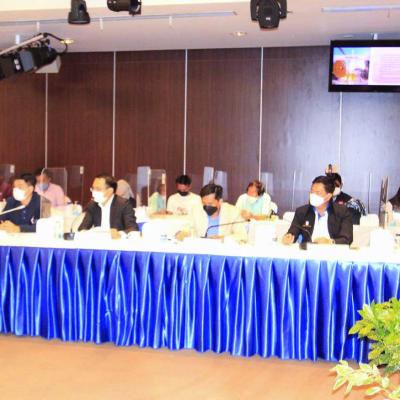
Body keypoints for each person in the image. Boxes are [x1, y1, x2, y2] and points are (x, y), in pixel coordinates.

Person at [282, 175, 353, 245]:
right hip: (308, 251)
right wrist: (289, 237)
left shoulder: (342, 212)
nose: (312, 195)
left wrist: (330, 242)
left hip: (333, 251)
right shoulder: (302, 212)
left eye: (317, 192)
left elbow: (347, 239)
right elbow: (292, 233)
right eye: (311, 191)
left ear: (328, 196)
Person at [177, 183, 247, 243]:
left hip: (223, 250)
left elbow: (242, 236)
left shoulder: (233, 212)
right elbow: (188, 228)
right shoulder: (196, 210)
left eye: (210, 204)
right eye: (204, 203)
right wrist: (183, 233)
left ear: (220, 201)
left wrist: (224, 238)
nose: (206, 206)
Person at [78, 173, 138, 238]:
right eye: (93, 188)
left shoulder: (123, 204)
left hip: (117, 242)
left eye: (98, 189)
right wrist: (88, 233)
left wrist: (119, 234)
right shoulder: (92, 205)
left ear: (110, 191)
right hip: (97, 242)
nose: (94, 192)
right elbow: (82, 229)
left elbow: (133, 229)